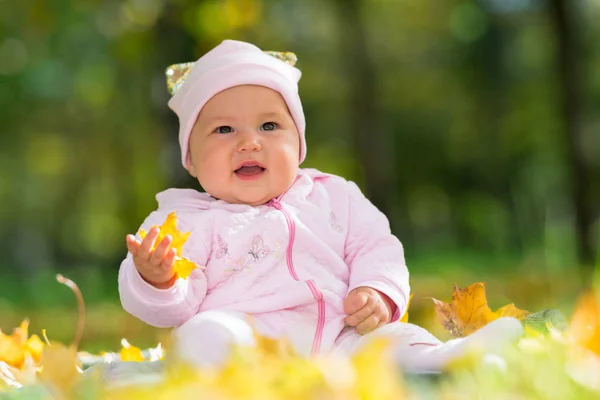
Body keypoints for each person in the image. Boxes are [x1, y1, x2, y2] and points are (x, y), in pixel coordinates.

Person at [118, 39, 523, 372]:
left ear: (299, 144)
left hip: (342, 339)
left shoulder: (334, 195)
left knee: (393, 342)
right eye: (224, 129)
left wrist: (376, 291)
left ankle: (452, 361)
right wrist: (158, 279)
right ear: (191, 158)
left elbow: (377, 247)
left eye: (269, 126)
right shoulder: (185, 219)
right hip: (252, 349)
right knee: (203, 333)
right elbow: (173, 307)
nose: (249, 142)